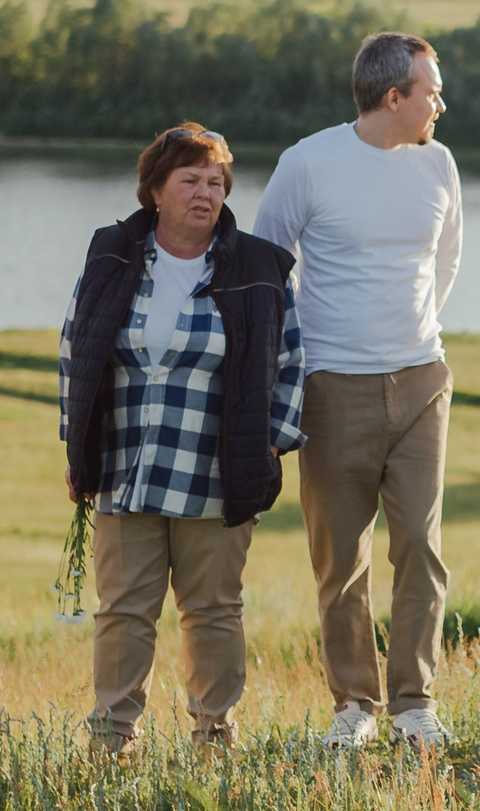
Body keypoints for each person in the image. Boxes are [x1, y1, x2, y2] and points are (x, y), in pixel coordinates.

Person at [59, 123, 305, 757]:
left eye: (216, 182)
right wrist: (75, 447)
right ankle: (112, 742)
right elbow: (75, 353)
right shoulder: (112, 257)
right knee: (122, 612)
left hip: (218, 470)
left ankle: (213, 741)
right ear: (156, 190)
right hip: (126, 467)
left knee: (214, 610)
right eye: (190, 180)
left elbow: (291, 363)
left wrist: (271, 445)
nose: (206, 193)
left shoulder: (259, 266)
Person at [251, 32, 463, 753]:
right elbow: (267, 264)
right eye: (430, 90)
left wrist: (411, 338)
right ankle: (355, 705)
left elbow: (445, 262)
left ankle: (414, 702)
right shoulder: (309, 163)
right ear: (393, 96)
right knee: (340, 558)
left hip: (423, 379)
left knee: (421, 549)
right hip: (333, 386)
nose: (441, 101)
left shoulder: (440, 164)